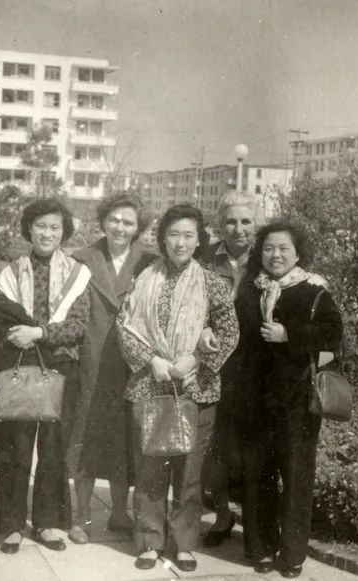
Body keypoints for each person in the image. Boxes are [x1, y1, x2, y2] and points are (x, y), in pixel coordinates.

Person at [0, 198, 91, 555]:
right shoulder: (11, 273)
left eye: (54, 227)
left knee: (53, 449)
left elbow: (79, 325)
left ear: (64, 232)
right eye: (40, 226)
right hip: (19, 366)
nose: (47, 233)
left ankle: (46, 523)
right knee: (16, 446)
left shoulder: (78, 274)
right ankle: (12, 525)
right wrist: (16, 334)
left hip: (61, 366)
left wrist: (39, 332)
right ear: (29, 229)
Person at [116, 204, 239, 573]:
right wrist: (151, 360)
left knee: (189, 473)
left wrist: (195, 361)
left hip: (195, 389)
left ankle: (184, 544)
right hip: (149, 385)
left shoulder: (213, 283)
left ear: (199, 240)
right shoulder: (144, 278)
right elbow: (124, 325)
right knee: (150, 470)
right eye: (173, 234)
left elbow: (229, 333)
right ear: (163, 239)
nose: (180, 242)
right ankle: (149, 542)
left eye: (188, 235)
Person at [234, 220, 343, 578]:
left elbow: (333, 334)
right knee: (258, 476)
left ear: (298, 254)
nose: (275, 255)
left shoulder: (313, 290)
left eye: (283, 248)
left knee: (296, 477)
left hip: (296, 402)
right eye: (268, 248)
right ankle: (260, 548)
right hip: (254, 398)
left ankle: (293, 555)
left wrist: (289, 334)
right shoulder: (250, 289)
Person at [67, 192, 157, 544]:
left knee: (124, 440)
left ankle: (120, 513)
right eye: (114, 219)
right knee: (85, 438)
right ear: (103, 220)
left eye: (128, 222)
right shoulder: (82, 258)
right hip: (90, 361)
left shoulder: (149, 262)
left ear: (138, 228)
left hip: (131, 364)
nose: (120, 227)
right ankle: (83, 517)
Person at [197, 191, 264, 550]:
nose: (239, 229)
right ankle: (223, 515)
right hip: (213, 362)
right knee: (215, 445)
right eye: (231, 221)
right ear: (220, 225)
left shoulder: (267, 258)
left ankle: (256, 523)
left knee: (252, 447)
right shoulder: (205, 259)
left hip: (255, 365)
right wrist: (201, 328)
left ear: (256, 224)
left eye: (246, 221)